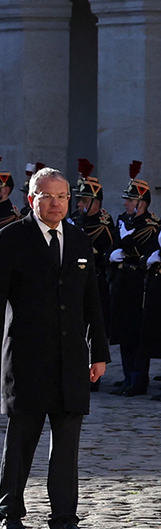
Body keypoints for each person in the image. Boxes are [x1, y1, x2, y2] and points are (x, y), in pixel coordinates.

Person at [0, 167, 108, 529]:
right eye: (47, 196)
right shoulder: (11, 238)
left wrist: (98, 352)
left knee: (67, 442)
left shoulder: (80, 240)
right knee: (22, 438)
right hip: (26, 357)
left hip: (70, 357)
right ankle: (10, 513)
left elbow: (91, 301)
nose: (56, 203)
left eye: (63, 196)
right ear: (31, 199)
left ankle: (64, 518)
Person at [108, 164, 155, 394]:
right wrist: (113, 253)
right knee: (123, 332)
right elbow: (114, 246)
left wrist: (124, 246)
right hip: (122, 280)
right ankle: (128, 377)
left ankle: (138, 379)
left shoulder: (149, 225)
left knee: (137, 334)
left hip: (138, 283)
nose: (126, 203)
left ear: (141, 203)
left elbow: (138, 251)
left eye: (130, 200)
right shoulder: (122, 222)